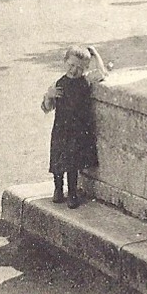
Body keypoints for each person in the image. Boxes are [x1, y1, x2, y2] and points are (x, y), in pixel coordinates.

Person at [42, 44, 105, 209]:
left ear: (85, 68)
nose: (74, 70)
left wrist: (95, 54)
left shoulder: (85, 81)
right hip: (61, 128)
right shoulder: (59, 84)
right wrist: (49, 96)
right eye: (71, 65)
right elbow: (46, 108)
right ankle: (57, 189)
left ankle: (72, 193)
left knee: (72, 163)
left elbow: (102, 73)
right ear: (65, 62)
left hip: (77, 130)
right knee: (57, 161)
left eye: (79, 67)